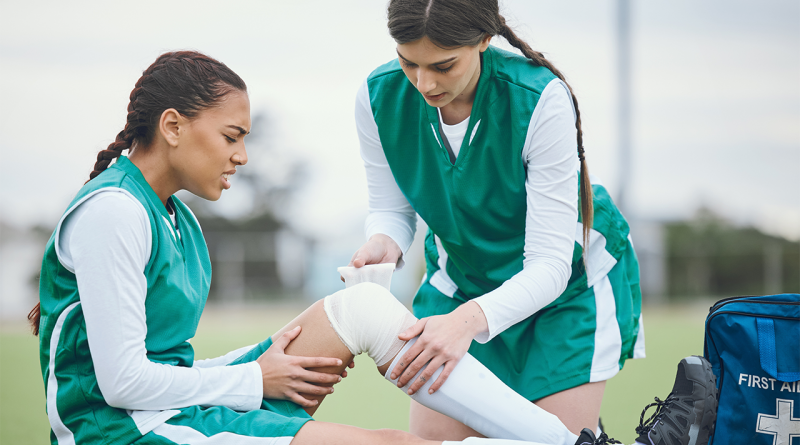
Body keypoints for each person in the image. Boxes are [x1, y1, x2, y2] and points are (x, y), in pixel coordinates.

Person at [29, 49, 677, 445]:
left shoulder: (168, 215)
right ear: (172, 127)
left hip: (173, 402)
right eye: (230, 136)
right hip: (132, 431)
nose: (242, 155)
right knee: (396, 442)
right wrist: (253, 377)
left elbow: (149, 361)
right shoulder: (117, 211)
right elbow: (122, 383)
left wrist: (253, 365)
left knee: (365, 310)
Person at [350, 0, 645, 439]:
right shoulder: (378, 96)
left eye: (444, 65)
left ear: (484, 40)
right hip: (463, 285)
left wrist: (466, 324)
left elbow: (549, 266)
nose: (424, 82)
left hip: (564, 295)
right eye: (408, 62)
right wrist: (384, 242)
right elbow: (393, 210)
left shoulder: (540, 97)